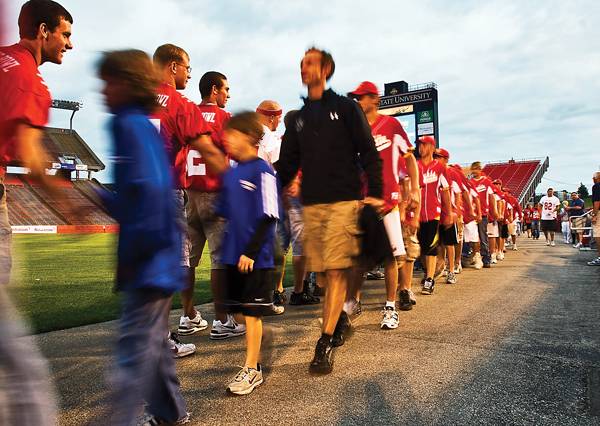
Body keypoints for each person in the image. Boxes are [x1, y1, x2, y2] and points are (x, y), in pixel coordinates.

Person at [276, 47, 383, 374]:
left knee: (335, 271)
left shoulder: (346, 108)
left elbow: (368, 151)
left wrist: (376, 194)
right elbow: (288, 164)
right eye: (301, 63)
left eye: (309, 63)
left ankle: (323, 343)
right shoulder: (298, 118)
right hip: (312, 204)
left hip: (343, 201)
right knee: (321, 276)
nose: (303, 68)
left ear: (325, 70)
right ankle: (338, 321)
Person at [97, 49, 189, 426]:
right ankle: (171, 412)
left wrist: (143, 253)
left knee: (133, 351)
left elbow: (149, 189)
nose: (103, 90)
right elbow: (143, 190)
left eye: (108, 82)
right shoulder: (134, 122)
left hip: (150, 257)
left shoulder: (130, 124)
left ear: (126, 83)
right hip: (157, 252)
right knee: (153, 345)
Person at [0, 1, 73, 424]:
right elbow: (29, 154)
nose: (70, 43)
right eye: (64, 34)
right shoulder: (27, 77)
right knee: (19, 365)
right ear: (43, 30)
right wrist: (62, 198)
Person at [210, 112, 280, 395]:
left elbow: (270, 215)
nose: (227, 140)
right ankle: (259, 333)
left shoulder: (263, 171)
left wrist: (251, 251)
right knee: (236, 312)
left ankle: (252, 368)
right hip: (231, 255)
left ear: (250, 138)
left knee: (250, 314)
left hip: (255, 258)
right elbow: (224, 210)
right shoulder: (233, 172)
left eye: (232, 135)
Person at [152, 43, 210, 356]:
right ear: (173, 66)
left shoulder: (135, 99)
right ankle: (160, 340)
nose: (189, 72)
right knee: (172, 266)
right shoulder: (177, 102)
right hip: (167, 193)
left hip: (138, 196)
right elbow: (209, 148)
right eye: (187, 66)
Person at [348, 80, 419, 328]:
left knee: (390, 258)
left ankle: (390, 307)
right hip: (362, 203)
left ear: (374, 99)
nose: (358, 102)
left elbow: (409, 159)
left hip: (388, 201)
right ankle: (353, 303)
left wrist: (415, 189)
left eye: (362, 97)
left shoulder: (391, 125)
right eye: (356, 98)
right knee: (357, 258)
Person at [189, 71, 246, 340]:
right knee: (221, 260)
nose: (228, 94)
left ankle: (188, 316)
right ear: (214, 90)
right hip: (215, 193)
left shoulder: (186, 113)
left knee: (187, 260)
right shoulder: (225, 119)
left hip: (189, 192)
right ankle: (222, 320)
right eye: (225, 89)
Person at [416, 136, 452, 294]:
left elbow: (445, 192)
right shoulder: (414, 166)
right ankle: (427, 271)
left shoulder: (439, 168)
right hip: (415, 215)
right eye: (420, 145)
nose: (421, 148)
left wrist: (449, 213)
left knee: (431, 247)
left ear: (431, 147)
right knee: (421, 249)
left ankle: (430, 280)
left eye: (424, 145)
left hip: (433, 213)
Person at [434, 148, 463, 284]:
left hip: (447, 212)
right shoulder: (432, 170)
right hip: (435, 212)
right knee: (438, 243)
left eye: (438, 156)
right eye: (434, 156)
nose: (435, 158)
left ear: (446, 159)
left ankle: (451, 271)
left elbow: (458, 192)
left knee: (450, 243)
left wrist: (455, 211)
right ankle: (440, 269)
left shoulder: (451, 172)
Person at [470, 162, 497, 267]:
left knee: (483, 235)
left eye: (476, 169)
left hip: (483, 213)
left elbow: (491, 197)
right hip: (472, 213)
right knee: (473, 236)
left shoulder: (486, 182)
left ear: (480, 169)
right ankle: (476, 256)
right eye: (473, 169)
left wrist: (494, 211)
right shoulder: (470, 182)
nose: (474, 171)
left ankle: (486, 257)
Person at [588, 171, 600, 266]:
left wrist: (595, 215)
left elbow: (597, 202)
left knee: (597, 234)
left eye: (593, 178)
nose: (593, 179)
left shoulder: (596, 186)